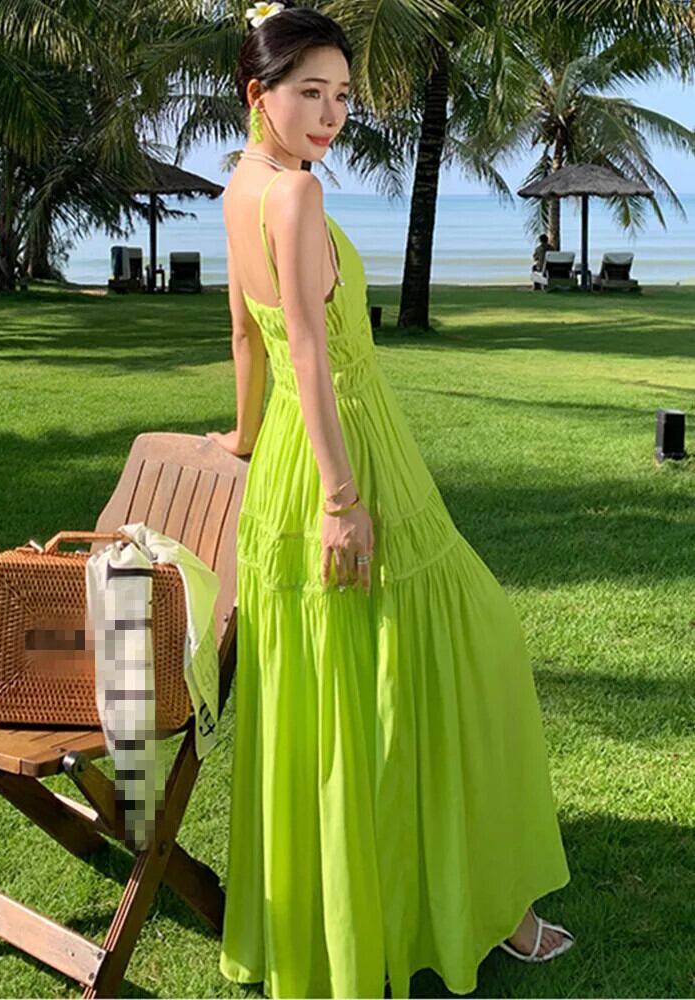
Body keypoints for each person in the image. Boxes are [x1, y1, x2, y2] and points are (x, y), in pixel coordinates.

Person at [206, 4, 575, 998]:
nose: (330, 115)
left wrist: (243, 438)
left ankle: (366, 911)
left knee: (344, 690)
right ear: (259, 94)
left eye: (340, 95)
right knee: (466, 650)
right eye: (309, 93)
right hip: (347, 458)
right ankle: (484, 908)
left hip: (288, 463)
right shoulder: (294, 193)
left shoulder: (241, 185)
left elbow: (245, 333)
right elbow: (307, 350)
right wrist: (341, 497)